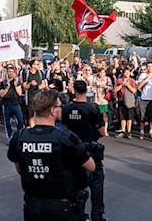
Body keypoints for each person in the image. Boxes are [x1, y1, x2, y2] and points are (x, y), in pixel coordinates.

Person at [8, 90, 95, 221]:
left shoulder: (19, 136)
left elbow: (20, 168)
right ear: (53, 111)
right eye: (60, 106)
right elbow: (91, 166)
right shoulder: (65, 137)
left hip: (32, 204)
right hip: (61, 206)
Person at [62, 81, 108, 221]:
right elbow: (102, 132)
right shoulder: (92, 108)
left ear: (74, 91)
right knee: (97, 182)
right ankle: (97, 216)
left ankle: (77, 215)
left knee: (76, 186)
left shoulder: (67, 108)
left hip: (73, 150)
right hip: (90, 150)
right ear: (86, 91)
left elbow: (65, 130)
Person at [137, 61, 152, 140]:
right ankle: (142, 132)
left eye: (151, 66)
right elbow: (138, 87)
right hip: (144, 98)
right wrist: (145, 80)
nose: (149, 68)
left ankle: (151, 132)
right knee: (142, 116)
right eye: (148, 66)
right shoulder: (142, 75)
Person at [0, 64, 24, 142]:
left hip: (15, 103)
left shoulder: (17, 82)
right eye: (9, 72)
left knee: (20, 121)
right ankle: (10, 138)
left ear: (15, 73)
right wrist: (7, 86)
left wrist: (16, 85)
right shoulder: (3, 82)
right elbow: (2, 94)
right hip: (6, 104)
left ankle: (19, 136)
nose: (10, 73)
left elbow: (20, 93)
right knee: (7, 123)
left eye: (12, 72)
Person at [23, 59, 47, 127]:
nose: (38, 65)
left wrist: (39, 87)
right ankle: (32, 128)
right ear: (32, 65)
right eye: (37, 64)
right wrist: (30, 83)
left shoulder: (40, 73)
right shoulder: (26, 73)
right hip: (30, 97)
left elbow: (44, 84)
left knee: (40, 113)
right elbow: (24, 86)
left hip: (39, 96)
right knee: (31, 115)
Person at [114, 68, 137, 139]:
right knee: (122, 117)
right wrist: (122, 85)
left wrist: (128, 85)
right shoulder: (119, 80)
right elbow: (114, 90)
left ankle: (129, 132)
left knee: (129, 117)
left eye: (128, 72)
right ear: (123, 73)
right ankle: (123, 131)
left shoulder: (132, 81)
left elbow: (134, 91)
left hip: (130, 101)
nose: (127, 74)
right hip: (121, 100)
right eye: (126, 72)